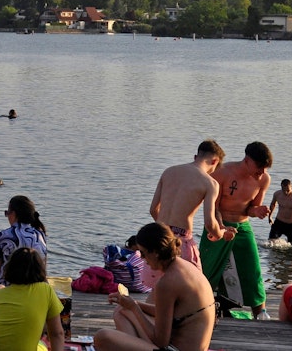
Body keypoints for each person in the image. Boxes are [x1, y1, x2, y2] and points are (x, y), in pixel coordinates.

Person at [94, 222, 215, 351]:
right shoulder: (185, 266)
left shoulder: (167, 282)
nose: (142, 258)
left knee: (103, 337)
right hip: (184, 344)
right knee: (122, 311)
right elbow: (166, 313)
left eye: (143, 253)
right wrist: (133, 304)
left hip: (174, 348)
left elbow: (161, 341)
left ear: (156, 253)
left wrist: (135, 308)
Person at [198, 141, 273, 319]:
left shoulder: (264, 179)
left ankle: (260, 313)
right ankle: (199, 306)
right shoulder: (222, 173)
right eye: (259, 166)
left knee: (253, 269)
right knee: (206, 268)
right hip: (218, 225)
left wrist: (257, 211)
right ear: (247, 160)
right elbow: (213, 207)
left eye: (265, 168)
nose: (262, 172)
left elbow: (251, 208)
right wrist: (220, 227)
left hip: (242, 226)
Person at [149, 139, 233, 273]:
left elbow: (153, 209)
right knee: (193, 287)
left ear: (196, 156)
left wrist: (166, 232)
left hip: (157, 238)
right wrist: (220, 234)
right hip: (181, 242)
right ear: (215, 161)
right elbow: (210, 223)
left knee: (159, 289)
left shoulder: (169, 171)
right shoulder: (210, 183)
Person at [0, 195, 47, 286]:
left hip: (7, 287)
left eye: (7, 213)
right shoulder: (40, 234)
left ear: (13, 214)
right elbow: (43, 265)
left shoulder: (4, 236)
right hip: (35, 286)